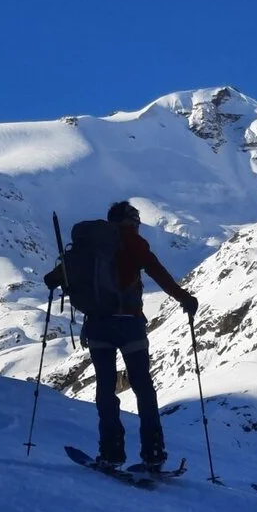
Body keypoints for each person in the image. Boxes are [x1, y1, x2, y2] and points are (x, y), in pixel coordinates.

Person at [45, 201, 198, 471]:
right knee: (143, 387)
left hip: (98, 325)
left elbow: (57, 276)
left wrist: (55, 277)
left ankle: (111, 453)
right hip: (129, 324)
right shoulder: (133, 243)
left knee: (106, 389)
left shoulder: (90, 246)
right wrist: (185, 299)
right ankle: (153, 453)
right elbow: (159, 274)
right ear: (131, 221)